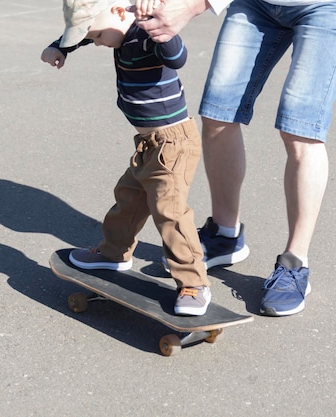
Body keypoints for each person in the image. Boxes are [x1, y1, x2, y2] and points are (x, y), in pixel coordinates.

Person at [136, 0, 336, 316]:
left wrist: (193, 6)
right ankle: (224, 234)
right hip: (256, 4)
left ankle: (295, 261)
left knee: (300, 131)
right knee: (219, 115)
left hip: (327, 7)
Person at [40, 0, 211, 316]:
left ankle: (194, 283)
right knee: (129, 199)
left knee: (169, 211)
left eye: (97, 37)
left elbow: (177, 57)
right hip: (149, 143)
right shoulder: (114, 26)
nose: (97, 44)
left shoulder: (148, 31)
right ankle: (113, 253)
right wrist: (60, 48)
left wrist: (163, 29)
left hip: (174, 144)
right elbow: (86, 33)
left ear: (119, 12)